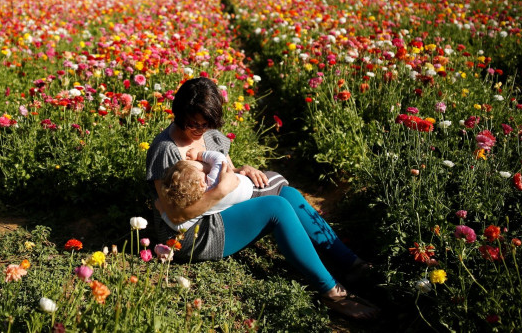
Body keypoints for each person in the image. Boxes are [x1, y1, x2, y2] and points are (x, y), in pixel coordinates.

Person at [145, 77, 379, 320]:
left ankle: (352, 264)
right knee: (275, 207)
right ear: (179, 113)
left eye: (206, 124)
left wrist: (242, 170)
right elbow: (175, 214)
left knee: (287, 193)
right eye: (193, 123)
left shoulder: (210, 135)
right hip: (190, 235)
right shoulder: (166, 150)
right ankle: (332, 292)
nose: (199, 129)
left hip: (217, 208)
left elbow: (225, 172)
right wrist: (219, 192)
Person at [160, 151, 288, 231]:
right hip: (258, 188)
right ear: (201, 182)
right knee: (282, 188)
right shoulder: (215, 180)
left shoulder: (200, 206)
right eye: (201, 172)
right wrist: (199, 155)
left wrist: (162, 211)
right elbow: (219, 158)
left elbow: (180, 227)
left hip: (249, 202)